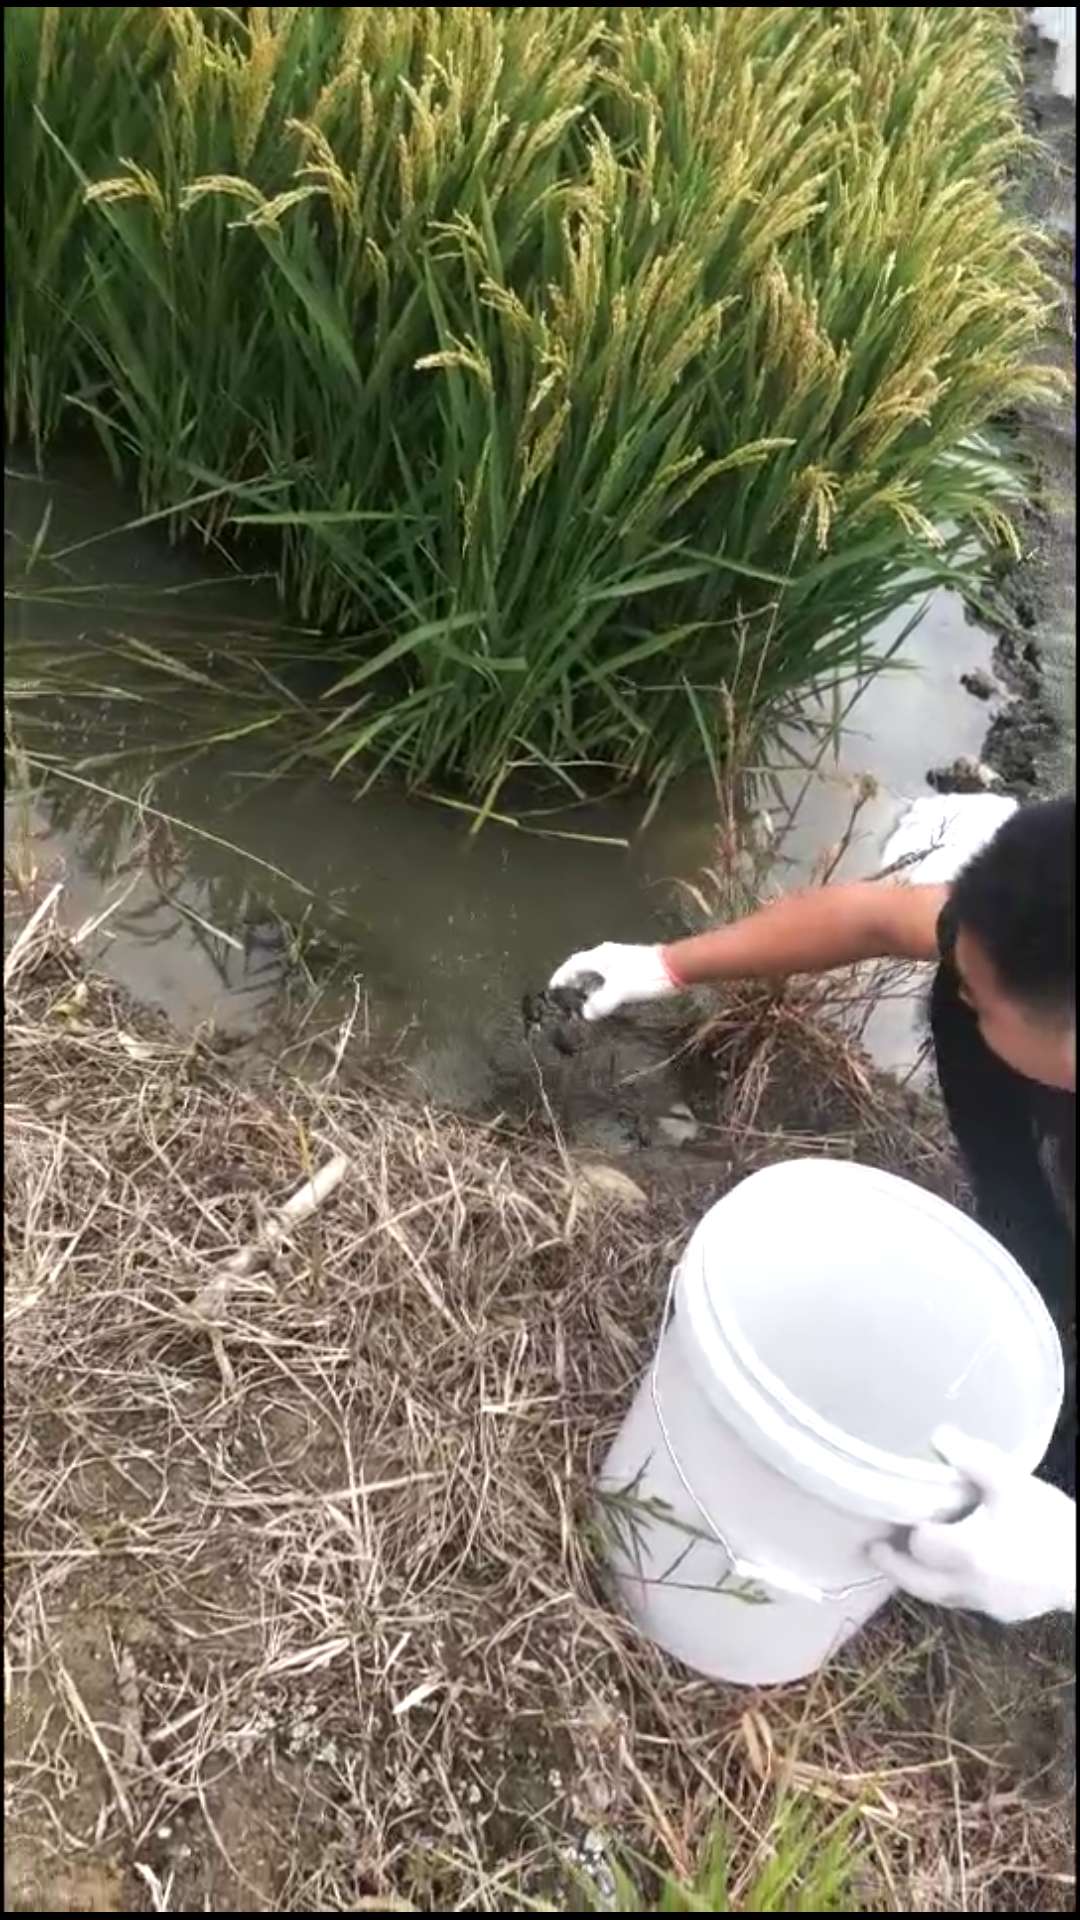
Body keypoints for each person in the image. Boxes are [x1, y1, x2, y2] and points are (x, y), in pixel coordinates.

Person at [550, 794, 1076, 1623]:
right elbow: (871, 919)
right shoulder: (1034, 933)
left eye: (983, 993)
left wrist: (1066, 1564)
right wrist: (664, 965)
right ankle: (1035, 1255)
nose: (961, 987)